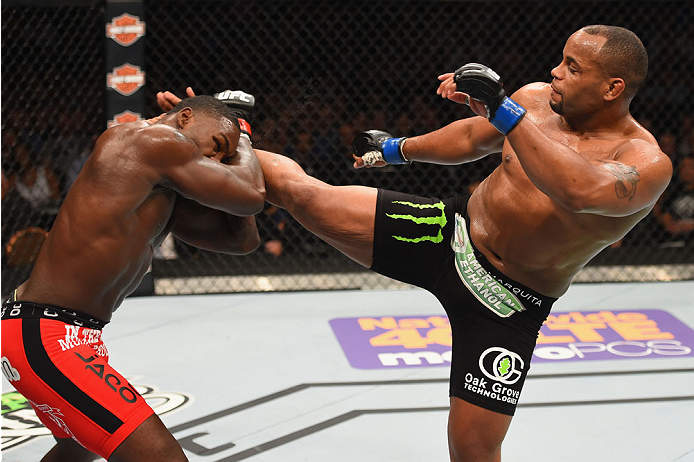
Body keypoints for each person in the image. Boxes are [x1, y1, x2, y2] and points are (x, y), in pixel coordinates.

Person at [159, 25, 672, 461]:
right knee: (305, 194)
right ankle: (222, 133)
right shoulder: (536, 100)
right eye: (561, 60)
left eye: (574, 67)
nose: (557, 72)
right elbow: (474, 137)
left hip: (508, 302)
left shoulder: (645, 161)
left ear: (613, 87)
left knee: (472, 452)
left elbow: (580, 190)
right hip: (446, 235)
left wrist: (504, 112)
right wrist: (395, 149)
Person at [1, 94, 265, 462]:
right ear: (185, 117)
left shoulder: (162, 185)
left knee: (75, 452)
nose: (219, 160)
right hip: (46, 335)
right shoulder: (148, 141)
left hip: (62, 333)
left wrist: (230, 141)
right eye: (218, 146)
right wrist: (245, 134)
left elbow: (243, 240)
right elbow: (252, 194)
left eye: (225, 156)